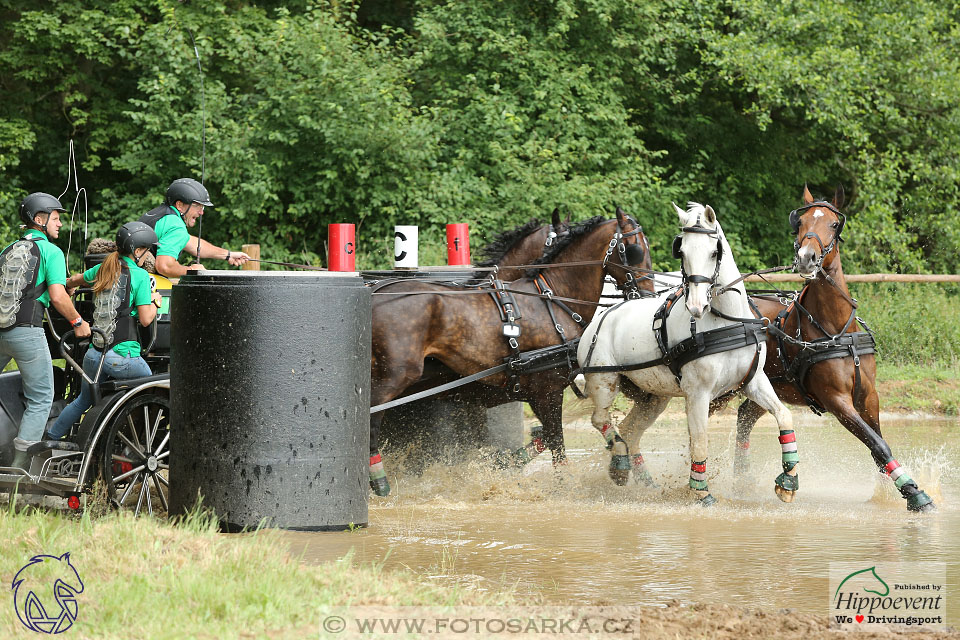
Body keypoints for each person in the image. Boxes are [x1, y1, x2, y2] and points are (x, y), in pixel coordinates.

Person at [46, 221, 163, 440]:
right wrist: (155, 302)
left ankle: (52, 437)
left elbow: (75, 280)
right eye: (146, 251)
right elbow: (146, 319)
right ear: (137, 251)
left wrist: (70, 286)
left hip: (95, 353)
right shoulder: (140, 276)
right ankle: (131, 442)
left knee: (83, 399)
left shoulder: (104, 267)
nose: (147, 255)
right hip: (122, 356)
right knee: (153, 389)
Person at [0, 193, 91, 469]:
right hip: (26, 332)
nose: (61, 223)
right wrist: (78, 323)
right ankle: (20, 465)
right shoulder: (51, 251)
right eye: (56, 217)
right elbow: (58, 297)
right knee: (40, 398)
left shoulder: (6, 250)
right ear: (40, 220)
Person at [139, 177, 250, 278]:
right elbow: (165, 267)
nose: (201, 212)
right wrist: (193, 271)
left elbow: (192, 243)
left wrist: (228, 255)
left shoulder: (161, 215)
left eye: (202, 207)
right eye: (197, 205)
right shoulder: (176, 226)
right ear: (180, 205)